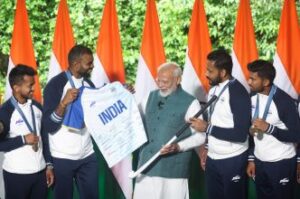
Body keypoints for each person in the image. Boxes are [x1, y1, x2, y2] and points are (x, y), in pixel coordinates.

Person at [133, 63, 206, 199]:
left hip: (173, 172)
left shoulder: (191, 102)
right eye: (158, 80)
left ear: (178, 80)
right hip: (146, 165)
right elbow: (133, 119)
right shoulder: (149, 97)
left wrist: (179, 146)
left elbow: (201, 136)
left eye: (165, 81)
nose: (160, 84)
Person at [188, 49, 251, 199]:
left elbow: (241, 135)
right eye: (206, 69)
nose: (206, 74)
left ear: (223, 72)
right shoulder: (214, 88)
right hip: (213, 158)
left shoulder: (238, 93)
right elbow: (216, 120)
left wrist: (207, 128)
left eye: (210, 70)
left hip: (233, 159)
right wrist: (208, 147)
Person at [42, 45, 98, 199]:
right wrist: (63, 103)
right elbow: (48, 126)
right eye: (89, 63)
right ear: (75, 64)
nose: (92, 66)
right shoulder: (55, 86)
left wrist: (121, 92)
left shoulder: (89, 85)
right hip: (62, 157)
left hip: (87, 155)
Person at [246, 60, 300, 199]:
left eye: (253, 79)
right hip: (260, 161)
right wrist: (252, 158)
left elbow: (296, 135)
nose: (248, 81)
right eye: (249, 77)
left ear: (265, 82)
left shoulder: (284, 101)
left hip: (281, 163)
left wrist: (270, 128)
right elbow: (254, 132)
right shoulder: (252, 98)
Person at [0, 65, 54, 199]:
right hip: (16, 174)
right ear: (16, 87)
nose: (33, 88)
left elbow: (44, 138)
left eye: (33, 84)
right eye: (30, 85)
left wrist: (49, 165)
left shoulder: (36, 106)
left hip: (40, 173)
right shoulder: (5, 111)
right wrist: (23, 139)